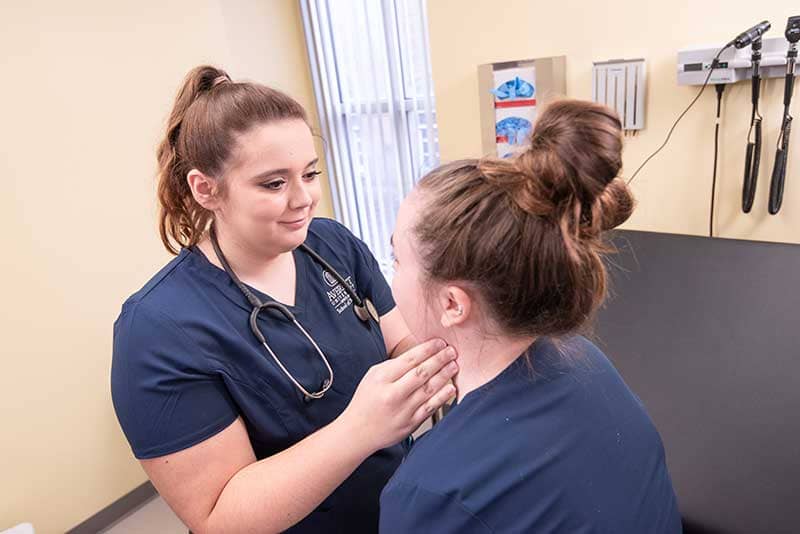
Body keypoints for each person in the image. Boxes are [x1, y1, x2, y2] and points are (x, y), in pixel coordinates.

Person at [110, 65, 458, 533]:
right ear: (205, 189)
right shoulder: (157, 328)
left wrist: (462, 367)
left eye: (310, 174)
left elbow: (402, 343)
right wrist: (360, 429)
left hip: (398, 509)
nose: (304, 200)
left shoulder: (332, 244)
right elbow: (220, 519)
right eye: (274, 184)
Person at [380, 100, 682, 533]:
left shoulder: (429, 492)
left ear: (453, 304)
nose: (392, 276)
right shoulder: (586, 361)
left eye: (396, 259)